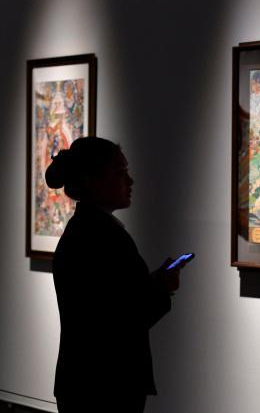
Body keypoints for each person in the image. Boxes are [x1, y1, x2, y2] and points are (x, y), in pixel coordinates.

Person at [45, 137, 182, 413]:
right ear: (91, 180)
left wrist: (150, 284)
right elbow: (120, 319)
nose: (130, 181)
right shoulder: (102, 238)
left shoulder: (84, 231)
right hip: (106, 386)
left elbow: (111, 302)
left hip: (86, 381)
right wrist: (161, 288)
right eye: (120, 173)